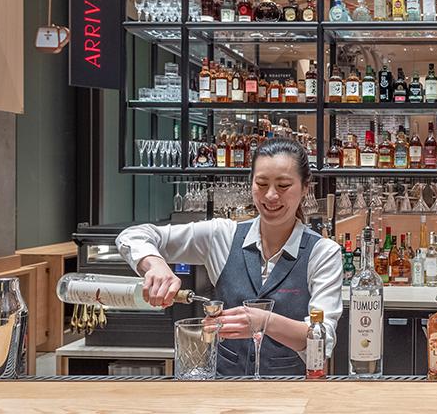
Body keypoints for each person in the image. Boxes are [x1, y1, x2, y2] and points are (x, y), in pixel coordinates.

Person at [116, 138, 343, 376]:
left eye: (284, 185)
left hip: (291, 393)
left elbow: (323, 337)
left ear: (306, 187)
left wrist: (264, 322)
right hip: (224, 389)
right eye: (262, 183)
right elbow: (132, 235)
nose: (271, 195)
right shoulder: (222, 235)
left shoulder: (323, 253)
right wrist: (155, 265)